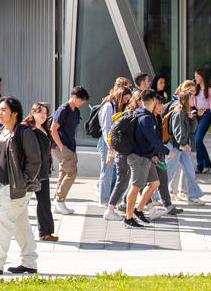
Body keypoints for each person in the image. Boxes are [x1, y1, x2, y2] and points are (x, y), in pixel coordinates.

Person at [0, 96, 40, 275]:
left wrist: (23, 181)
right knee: (20, 224)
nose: (0, 113)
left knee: (5, 220)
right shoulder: (1, 132)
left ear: (15, 113)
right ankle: (29, 261)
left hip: (19, 186)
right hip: (6, 186)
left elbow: (35, 161)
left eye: (4, 110)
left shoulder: (24, 132)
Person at [123, 90, 172, 228]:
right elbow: (153, 139)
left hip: (146, 156)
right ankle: (128, 218)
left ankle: (138, 210)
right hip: (138, 157)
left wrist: (153, 155)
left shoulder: (142, 114)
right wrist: (167, 151)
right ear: (154, 101)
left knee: (155, 182)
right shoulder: (146, 118)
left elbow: (145, 140)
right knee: (135, 186)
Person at [49, 86, 88, 215]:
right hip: (61, 146)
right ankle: (59, 200)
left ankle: (57, 201)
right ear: (74, 97)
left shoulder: (75, 110)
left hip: (70, 145)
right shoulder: (63, 110)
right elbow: (53, 129)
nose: (82, 103)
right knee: (72, 172)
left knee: (64, 173)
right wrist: (60, 146)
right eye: (81, 100)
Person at [104, 90, 141, 221]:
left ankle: (120, 206)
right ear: (140, 102)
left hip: (123, 153)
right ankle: (111, 209)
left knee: (128, 182)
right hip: (125, 154)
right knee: (123, 182)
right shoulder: (134, 117)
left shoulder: (127, 115)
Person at [165, 90, 206, 207]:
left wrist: (193, 117)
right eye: (192, 98)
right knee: (169, 172)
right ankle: (155, 196)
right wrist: (184, 143)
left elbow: (192, 129)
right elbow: (178, 130)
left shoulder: (185, 112)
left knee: (189, 171)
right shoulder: (178, 112)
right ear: (186, 100)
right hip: (176, 146)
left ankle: (193, 196)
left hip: (182, 147)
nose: (194, 100)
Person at [96, 85, 132, 220]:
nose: (125, 102)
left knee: (113, 171)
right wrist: (110, 144)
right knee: (107, 170)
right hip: (107, 143)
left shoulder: (115, 106)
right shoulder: (108, 106)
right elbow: (106, 127)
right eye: (125, 99)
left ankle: (109, 198)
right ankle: (104, 199)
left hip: (113, 143)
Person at [23, 102, 57, 241]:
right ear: (33, 113)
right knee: (21, 201)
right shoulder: (27, 129)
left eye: (45, 113)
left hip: (43, 171)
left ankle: (46, 232)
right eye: (40, 112)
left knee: (44, 202)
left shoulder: (44, 128)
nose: (43, 115)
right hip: (31, 172)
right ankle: (1, 222)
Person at [192, 67, 211, 173]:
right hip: (197, 114)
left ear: (202, 77)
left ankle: (206, 163)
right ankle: (200, 165)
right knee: (197, 141)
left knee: (198, 139)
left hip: (206, 114)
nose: (196, 79)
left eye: (197, 77)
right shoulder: (195, 89)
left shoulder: (210, 89)